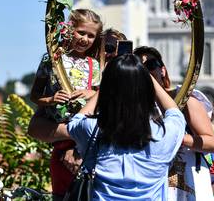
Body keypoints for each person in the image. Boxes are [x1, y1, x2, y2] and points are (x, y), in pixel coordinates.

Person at [67, 54, 186, 199]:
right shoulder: (163, 134)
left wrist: (104, 87)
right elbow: (175, 114)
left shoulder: (94, 129)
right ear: (147, 89)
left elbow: (74, 122)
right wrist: (145, 76)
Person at [29, 8, 102, 200]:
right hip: (59, 139)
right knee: (62, 194)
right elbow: (35, 95)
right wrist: (51, 100)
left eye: (91, 36)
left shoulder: (93, 65)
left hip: (84, 141)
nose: (85, 39)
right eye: (81, 32)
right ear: (69, 30)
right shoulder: (52, 60)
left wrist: (91, 93)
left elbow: (102, 96)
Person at [133, 46, 214, 200]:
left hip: (188, 180)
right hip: (153, 182)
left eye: (151, 65)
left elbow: (212, 143)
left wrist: (177, 137)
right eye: (140, 68)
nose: (147, 72)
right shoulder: (135, 107)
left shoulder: (186, 100)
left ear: (163, 70)